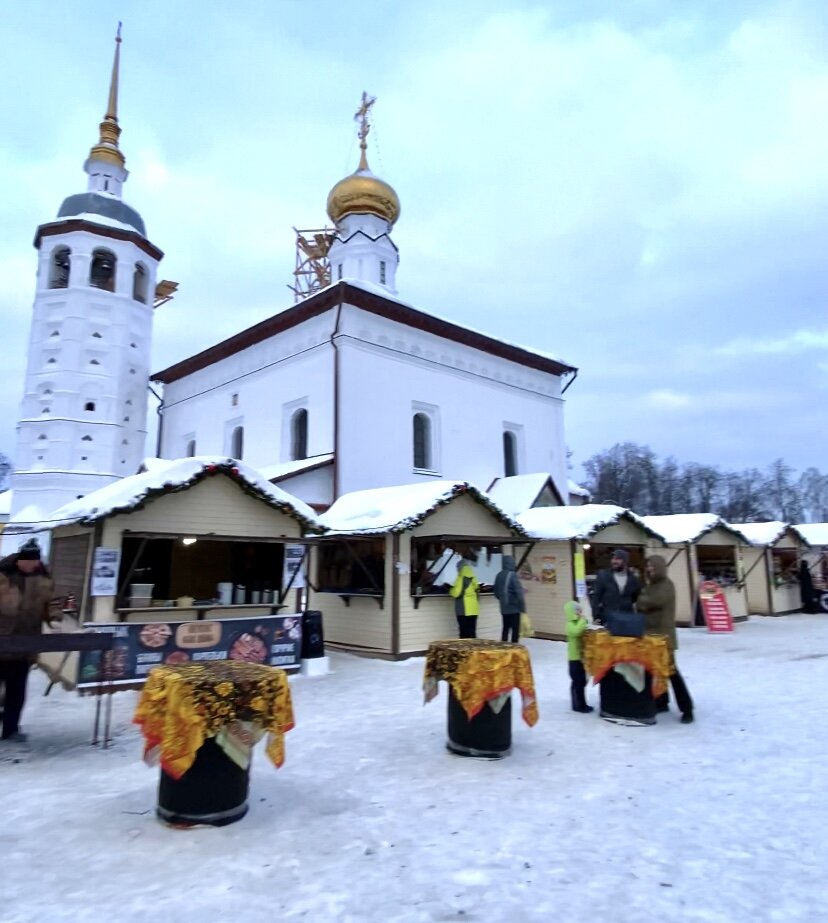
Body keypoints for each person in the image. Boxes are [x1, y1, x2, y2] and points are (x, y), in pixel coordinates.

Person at [0, 538, 56, 742]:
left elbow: (51, 604)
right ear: (19, 560)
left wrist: (56, 617)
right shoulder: (3, 575)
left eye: (36, 561)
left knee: (17, 692)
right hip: (2, 642)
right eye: (29, 561)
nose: (33, 564)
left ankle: (10, 730)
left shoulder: (43, 578)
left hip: (26, 644)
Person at [637, 554, 694, 724]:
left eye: (653, 567)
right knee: (655, 671)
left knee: (671, 672)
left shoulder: (666, 586)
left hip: (664, 638)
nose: (650, 570)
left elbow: (651, 601)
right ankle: (662, 702)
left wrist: (641, 600)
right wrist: (642, 601)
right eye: (648, 567)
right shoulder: (651, 585)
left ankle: (687, 709)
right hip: (649, 636)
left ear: (660, 568)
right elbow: (642, 603)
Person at [590, 548, 641, 625]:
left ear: (625, 561)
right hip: (608, 620)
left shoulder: (633, 578)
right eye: (613, 559)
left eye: (618, 559)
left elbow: (635, 598)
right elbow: (596, 598)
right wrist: (596, 617)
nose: (614, 561)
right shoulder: (603, 575)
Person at [564, 600, 592, 713]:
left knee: (581, 682)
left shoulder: (579, 622)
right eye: (578, 611)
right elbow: (576, 632)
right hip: (574, 659)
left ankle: (582, 704)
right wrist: (583, 620)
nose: (580, 613)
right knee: (577, 683)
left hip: (580, 658)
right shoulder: (570, 624)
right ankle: (578, 706)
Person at [493, 555, 525, 643]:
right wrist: (522, 607)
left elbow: (496, 592)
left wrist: (502, 600)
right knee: (515, 630)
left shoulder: (498, 575)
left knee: (505, 628)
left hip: (504, 608)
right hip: (514, 608)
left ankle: (504, 646)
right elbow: (519, 592)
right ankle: (514, 647)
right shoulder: (512, 575)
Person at [448, 559, 480, 639]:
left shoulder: (462, 577)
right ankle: (474, 647)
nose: (457, 570)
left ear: (460, 567)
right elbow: (477, 591)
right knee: (472, 633)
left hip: (464, 609)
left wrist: (450, 590)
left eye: (457, 568)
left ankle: (465, 648)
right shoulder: (473, 577)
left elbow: (456, 593)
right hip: (474, 609)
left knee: (464, 634)